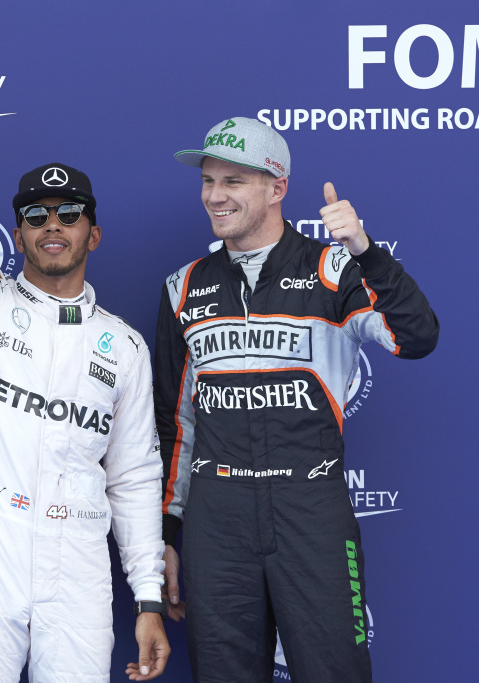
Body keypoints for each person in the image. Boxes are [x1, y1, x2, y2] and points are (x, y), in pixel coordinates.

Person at [0, 22, 170, 683]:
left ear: (93, 233)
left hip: (79, 552)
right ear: (18, 232)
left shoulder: (124, 345)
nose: (54, 224)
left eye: (68, 212)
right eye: (38, 213)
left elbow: (133, 477)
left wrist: (150, 596)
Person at [155, 116, 439, 682]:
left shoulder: (334, 270)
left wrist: (365, 250)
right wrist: (166, 535)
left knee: (336, 671)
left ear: (276, 188)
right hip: (218, 515)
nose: (215, 195)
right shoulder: (183, 285)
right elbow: (176, 423)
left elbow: (415, 338)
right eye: (209, 181)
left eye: (233, 181)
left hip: (310, 506)